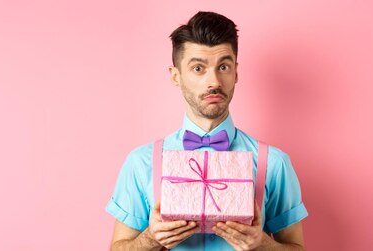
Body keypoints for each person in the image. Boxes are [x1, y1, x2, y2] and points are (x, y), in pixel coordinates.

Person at [106, 11, 308, 250]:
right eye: (198, 68)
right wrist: (151, 238)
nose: (213, 81)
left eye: (223, 66)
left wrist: (262, 243)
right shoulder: (141, 163)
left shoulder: (274, 163)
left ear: (236, 72)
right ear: (175, 76)